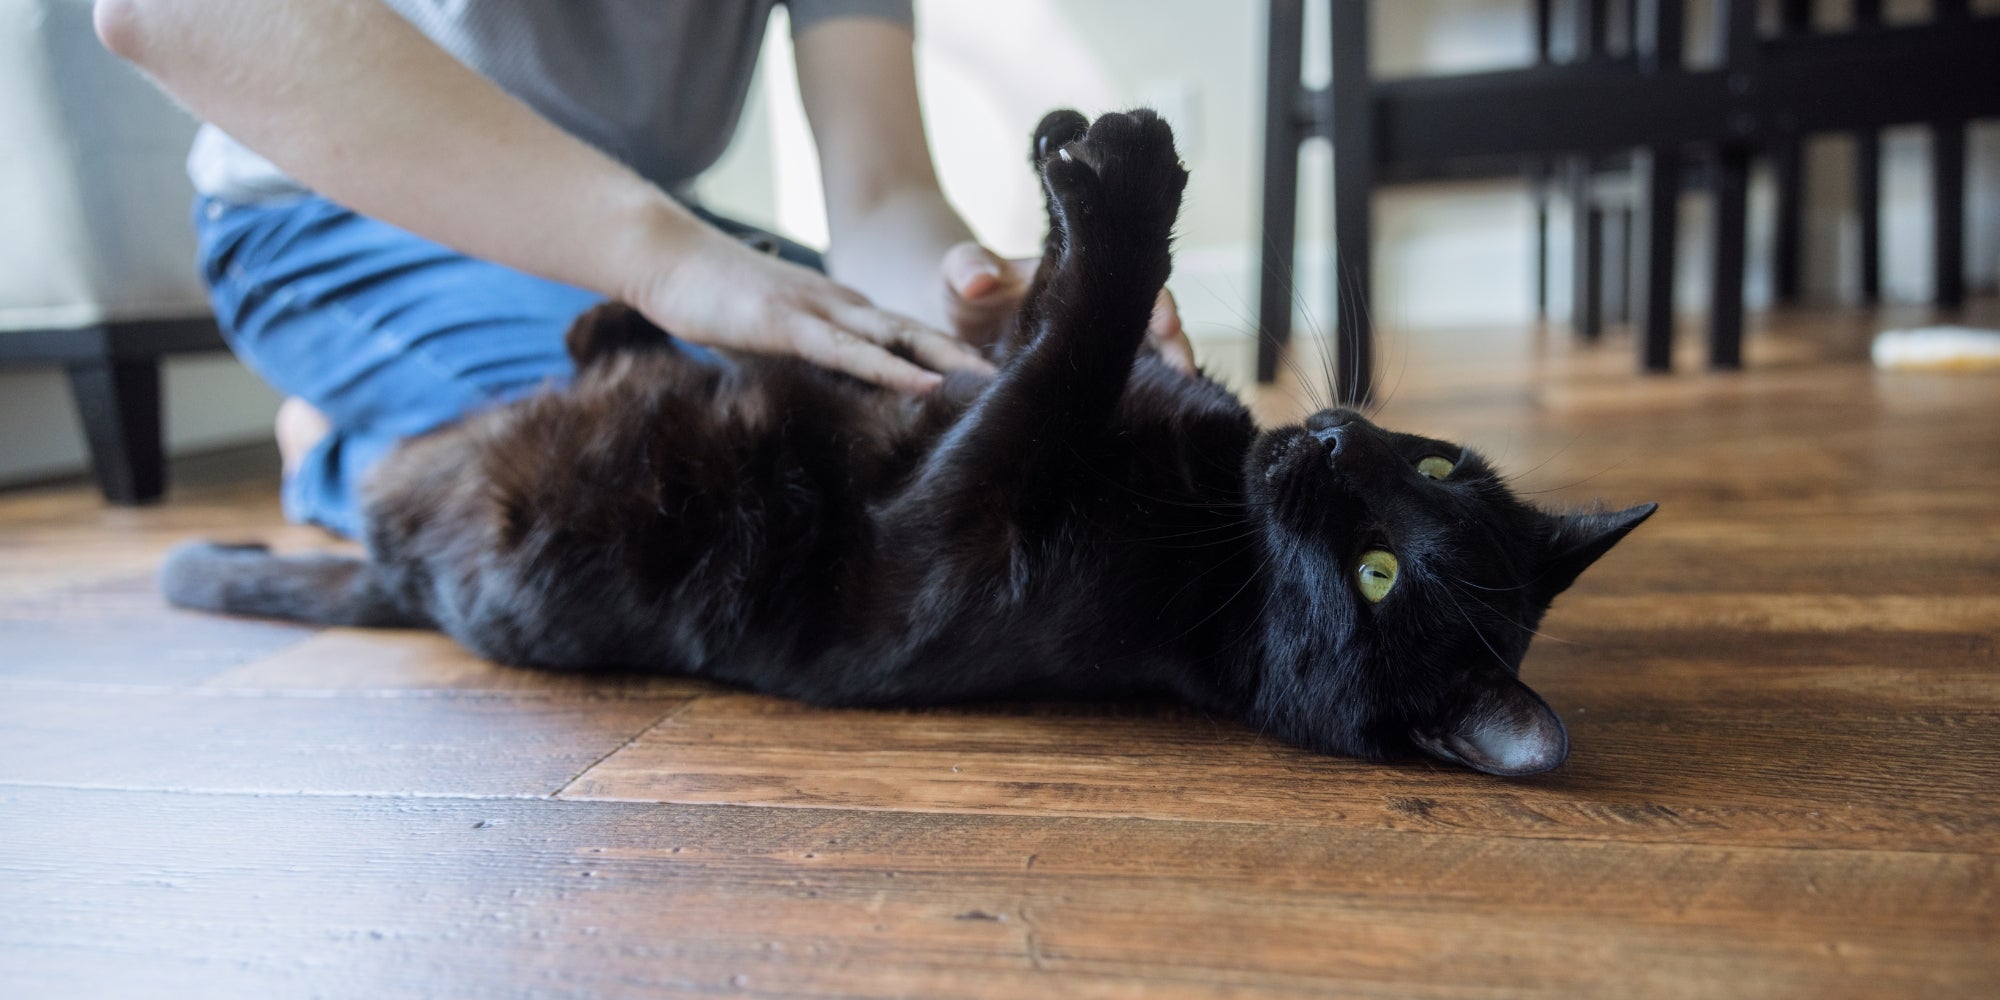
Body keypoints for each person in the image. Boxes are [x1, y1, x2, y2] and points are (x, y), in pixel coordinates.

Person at [96, 0, 1192, 537]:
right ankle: (345, 457)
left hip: (637, 237)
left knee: (880, 415)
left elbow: (880, 194)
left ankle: (397, 411)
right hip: (323, 219)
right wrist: (659, 258)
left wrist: (1002, 312)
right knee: (708, 477)